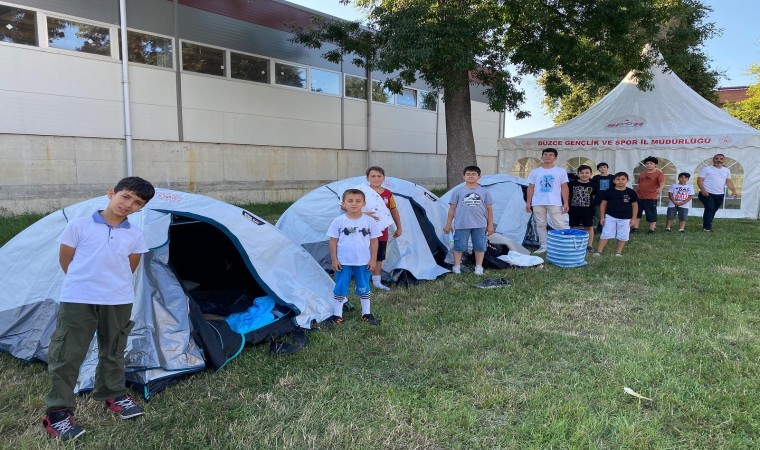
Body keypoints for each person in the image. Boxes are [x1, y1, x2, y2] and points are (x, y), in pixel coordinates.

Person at [42, 176, 155, 441]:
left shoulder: (135, 234)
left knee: (113, 349)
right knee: (68, 353)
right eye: (125, 196)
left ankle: (113, 394)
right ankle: (58, 412)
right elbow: (67, 260)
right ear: (111, 193)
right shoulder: (79, 226)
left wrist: (111, 287)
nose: (128, 204)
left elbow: (130, 267)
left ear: (141, 208)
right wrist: (85, 285)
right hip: (78, 298)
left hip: (118, 299)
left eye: (137, 203)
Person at [327, 189, 383, 325]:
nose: (354, 204)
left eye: (358, 201)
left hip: (363, 261)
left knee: (364, 286)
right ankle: (337, 315)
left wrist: (373, 259)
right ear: (343, 204)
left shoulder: (369, 221)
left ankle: (366, 313)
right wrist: (334, 259)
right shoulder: (338, 221)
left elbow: (374, 241)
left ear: (364, 203)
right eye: (350, 201)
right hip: (343, 261)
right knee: (340, 287)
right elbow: (333, 241)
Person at [443, 166, 494, 276]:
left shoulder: (484, 192)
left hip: (480, 224)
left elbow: (489, 210)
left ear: (479, 177)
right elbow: (451, 210)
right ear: (463, 177)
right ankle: (457, 266)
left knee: (480, 246)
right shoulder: (457, 191)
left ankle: (479, 267)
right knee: (459, 246)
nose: (471, 176)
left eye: (473, 174)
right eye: (468, 174)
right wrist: (448, 224)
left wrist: (490, 225)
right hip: (462, 224)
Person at [524, 148, 569, 254]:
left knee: (559, 224)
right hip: (538, 202)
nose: (548, 156)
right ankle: (544, 245)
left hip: (554, 202)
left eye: (551, 155)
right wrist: (528, 202)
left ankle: (563, 244)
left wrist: (565, 202)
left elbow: (564, 187)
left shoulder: (561, 171)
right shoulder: (535, 171)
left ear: (555, 158)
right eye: (545, 154)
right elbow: (531, 187)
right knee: (540, 225)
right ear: (542, 157)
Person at [365, 166, 402, 291]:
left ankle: (377, 281)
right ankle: (363, 278)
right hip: (364, 230)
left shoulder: (388, 194)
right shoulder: (362, 191)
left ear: (383, 178)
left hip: (381, 230)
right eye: (373, 176)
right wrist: (363, 214)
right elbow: (345, 206)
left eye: (379, 176)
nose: (376, 179)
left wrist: (399, 227)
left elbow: (394, 210)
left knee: (379, 255)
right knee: (364, 253)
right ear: (367, 178)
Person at [594, 172, 639, 257]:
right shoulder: (608, 191)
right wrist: (602, 217)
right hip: (610, 217)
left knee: (623, 235)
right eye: (618, 179)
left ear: (627, 180)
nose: (620, 181)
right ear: (614, 181)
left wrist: (634, 218)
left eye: (623, 179)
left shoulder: (631, 192)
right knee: (605, 234)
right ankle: (599, 251)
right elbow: (603, 204)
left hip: (625, 218)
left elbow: (635, 206)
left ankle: (618, 252)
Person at [697, 153, 738, 232]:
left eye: (721, 159)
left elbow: (728, 181)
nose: (719, 160)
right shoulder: (706, 169)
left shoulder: (726, 170)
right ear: (713, 159)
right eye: (717, 158)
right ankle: (707, 228)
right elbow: (699, 180)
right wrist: (703, 190)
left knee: (713, 210)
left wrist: (734, 191)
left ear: (723, 160)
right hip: (707, 193)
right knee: (710, 208)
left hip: (720, 194)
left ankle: (708, 224)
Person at [632, 156, 664, 234]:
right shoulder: (642, 174)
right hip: (639, 197)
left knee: (651, 214)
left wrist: (660, 188)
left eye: (651, 163)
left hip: (651, 197)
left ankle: (651, 229)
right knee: (637, 213)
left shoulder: (659, 174)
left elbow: (662, 183)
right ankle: (635, 228)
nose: (649, 165)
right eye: (647, 163)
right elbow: (639, 184)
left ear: (655, 165)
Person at [568, 164, 597, 251]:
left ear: (591, 174)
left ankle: (589, 245)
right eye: (582, 173)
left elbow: (594, 196)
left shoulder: (593, 184)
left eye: (587, 173)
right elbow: (569, 195)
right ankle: (574, 244)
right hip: (574, 210)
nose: (584, 175)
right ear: (578, 174)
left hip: (588, 210)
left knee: (588, 227)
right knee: (574, 227)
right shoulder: (572, 184)